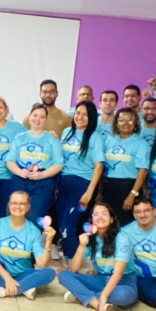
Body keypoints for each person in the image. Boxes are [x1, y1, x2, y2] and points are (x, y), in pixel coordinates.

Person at [58, 202, 138, 311]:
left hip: (123, 282)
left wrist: (104, 296)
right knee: (64, 275)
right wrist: (81, 246)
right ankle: (94, 303)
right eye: (96, 214)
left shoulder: (122, 238)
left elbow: (119, 273)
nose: (100, 217)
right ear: (92, 220)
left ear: (111, 219)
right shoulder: (91, 238)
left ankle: (81, 296)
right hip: (101, 279)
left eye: (104, 214)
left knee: (123, 295)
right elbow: (74, 269)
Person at [0, 191, 56, 300]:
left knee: (49, 273)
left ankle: (2, 291)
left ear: (28, 207)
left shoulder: (33, 230)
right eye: (14, 203)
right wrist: (7, 278)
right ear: (9, 205)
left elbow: (42, 264)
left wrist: (49, 241)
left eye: (22, 204)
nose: (17, 206)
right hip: (0, 272)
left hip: (24, 273)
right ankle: (24, 288)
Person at [57, 101, 105, 263]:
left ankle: (73, 261)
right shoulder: (66, 132)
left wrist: (89, 192)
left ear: (91, 117)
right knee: (61, 225)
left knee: (68, 226)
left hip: (81, 185)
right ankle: (68, 260)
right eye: (78, 113)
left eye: (85, 114)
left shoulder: (95, 137)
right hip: (62, 183)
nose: (80, 117)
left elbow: (98, 167)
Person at [0, 96, 27, 258]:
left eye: (0, 107)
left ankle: (4, 253)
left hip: (9, 178)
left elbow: (31, 138)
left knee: (6, 216)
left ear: (7, 110)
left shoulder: (17, 128)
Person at [7, 103, 63, 224]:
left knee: (35, 216)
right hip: (20, 179)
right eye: (35, 115)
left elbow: (58, 164)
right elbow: (10, 161)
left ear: (46, 120)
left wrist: (42, 175)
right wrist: (19, 172)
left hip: (43, 182)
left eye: (42, 117)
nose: (38, 119)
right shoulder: (19, 138)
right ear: (30, 116)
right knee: (16, 215)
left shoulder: (52, 139)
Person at [102, 107, 149, 227]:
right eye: (122, 120)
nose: (126, 123)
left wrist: (132, 194)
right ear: (116, 123)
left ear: (136, 123)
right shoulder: (109, 140)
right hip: (108, 186)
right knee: (108, 224)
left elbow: (143, 171)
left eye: (130, 120)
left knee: (125, 225)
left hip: (128, 187)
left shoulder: (141, 144)